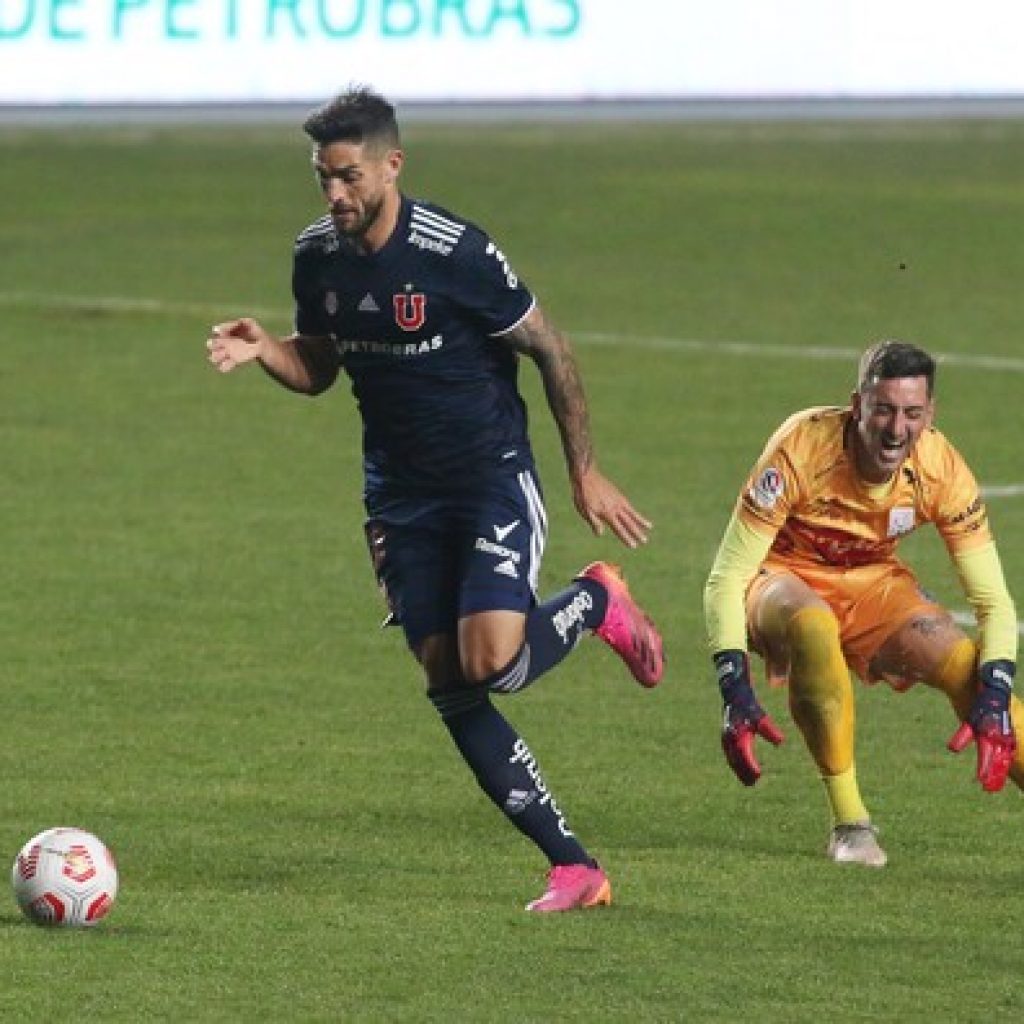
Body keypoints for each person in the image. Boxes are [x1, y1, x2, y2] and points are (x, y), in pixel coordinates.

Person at [205, 86, 664, 912]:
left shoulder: (455, 253)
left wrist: (583, 470)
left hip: (487, 477)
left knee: (494, 660)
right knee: (449, 681)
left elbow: (550, 350)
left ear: (392, 165)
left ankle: (596, 599)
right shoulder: (316, 256)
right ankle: (574, 867)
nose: (336, 195)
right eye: (323, 179)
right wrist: (266, 349)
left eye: (349, 177)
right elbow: (319, 366)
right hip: (399, 497)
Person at [704, 340, 1020, 867]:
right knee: (813, 624)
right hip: (780, 579)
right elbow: (727, 576)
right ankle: (851, 825)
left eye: (912, 414)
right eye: (884, 410)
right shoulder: (802, 448)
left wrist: (997, 692)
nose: (897, 430)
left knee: (969, 670)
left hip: (873, 583)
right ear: (858, 405)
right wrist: (733, 683)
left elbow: (993, 601)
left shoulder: (942, 469)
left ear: (930, 414)